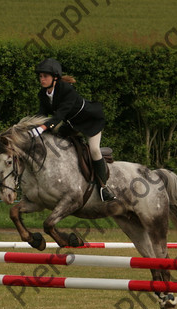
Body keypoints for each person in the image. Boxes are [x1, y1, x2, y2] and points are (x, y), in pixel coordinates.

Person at [30, 58, 116, 202]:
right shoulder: (43, 94)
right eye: (40, 76)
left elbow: (59, 115)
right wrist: (32, 127)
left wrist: (43, 128)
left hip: (90, 121)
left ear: (55, 77)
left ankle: (103, 187)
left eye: (45, 76)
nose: (42, 79)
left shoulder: (66, 89)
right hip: (72, 124)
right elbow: (41, 116)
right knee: (56, 140)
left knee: (94, 150)